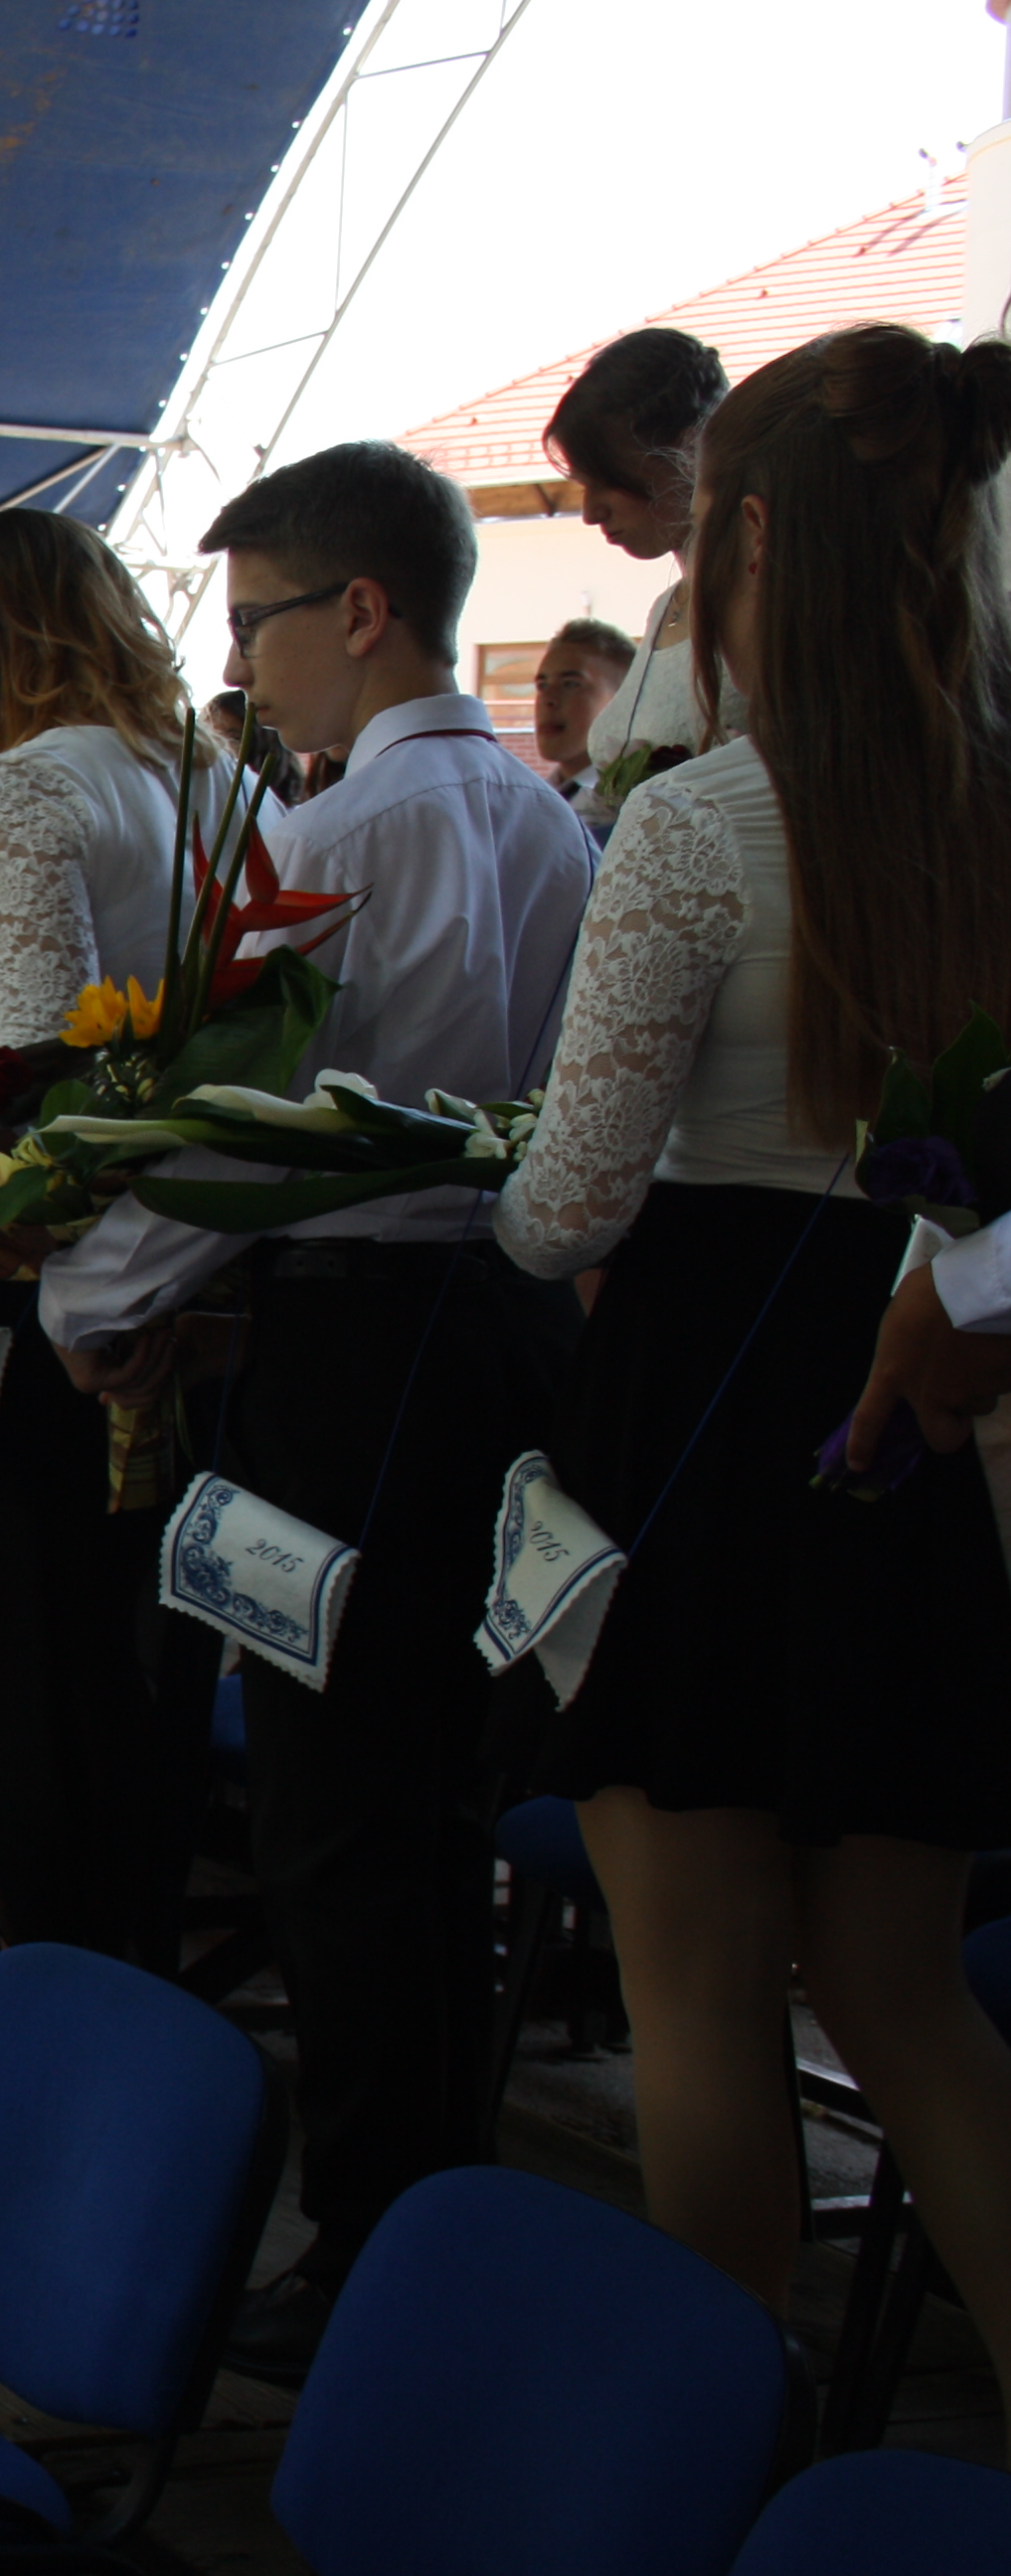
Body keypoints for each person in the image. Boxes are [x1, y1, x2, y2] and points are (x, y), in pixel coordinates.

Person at [46, 441, 594, 2382]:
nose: (241, 664)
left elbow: (234, 1128)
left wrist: (98, 1299)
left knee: (338, 1816)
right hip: (504, 1335)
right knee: (432, 1804)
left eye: (260, 620)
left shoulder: (339, 831)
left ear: (361, 612)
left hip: (359, 1352)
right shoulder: (550, 826)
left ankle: (376, 2246)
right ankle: (432, 2215)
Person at [494, 328, 1011, 2367]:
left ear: (759, 538)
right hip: (922, 1391)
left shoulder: (704, 822)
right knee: (903, 1996)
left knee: (695, 1989)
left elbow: (570, 1203)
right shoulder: (996, 806)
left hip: (712, 1391)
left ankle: (712, 2445)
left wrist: (501, 1189)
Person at [0, 508, 219, 1977]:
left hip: (53, 1275)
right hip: (194, 1255)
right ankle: (124, 1979)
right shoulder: (206, 774)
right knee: (131, 1669)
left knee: (33, 1677)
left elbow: (34, 1073)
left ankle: (55, 1988)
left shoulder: (33, 781)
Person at [548, 325, 735, 834]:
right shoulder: (664, 610)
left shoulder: (756, 608)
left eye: (607, 479)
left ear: (689, 449)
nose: (591, 511)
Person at [532, 616, 635, 807]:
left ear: (623, 699)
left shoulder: (640, 802)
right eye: (542, 685)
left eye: (570, 684)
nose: (548, 699)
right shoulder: (526, 799)